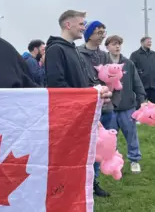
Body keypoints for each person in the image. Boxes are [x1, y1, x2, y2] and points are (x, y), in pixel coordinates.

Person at [45, 10, 113, 198]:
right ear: (68, 25)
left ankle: (86, 187)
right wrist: (86, 98)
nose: (84, 28)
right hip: (68, 116)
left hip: (82, 112)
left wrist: (97, 92)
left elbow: (83, 81)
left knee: (85, 155)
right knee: (68, 158)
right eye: (82, 24)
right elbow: (57, 85)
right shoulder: (56, 50)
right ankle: (64, 192)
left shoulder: (72, 48)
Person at [77, 20, 122, 197]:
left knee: (102, 149)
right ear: (89, 34)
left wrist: (113, 103)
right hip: (88, 110)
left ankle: (94, 182)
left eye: (104, 31)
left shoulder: (104, 55)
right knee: (85, 148)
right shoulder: (78, 53)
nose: (102, 34)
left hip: (106, 109)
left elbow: (113, 79)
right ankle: (82, 183)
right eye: (98, 31)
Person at [105, 35, 146, 174]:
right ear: (107, 47)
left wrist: (141, 99)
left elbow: (136, 82)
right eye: (114, 44)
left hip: (128, 107)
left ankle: (134, 160)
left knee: (131, 135)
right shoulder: (103, 63)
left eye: (119, 44)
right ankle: (113, 161)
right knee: (110, 138)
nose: (117, 47)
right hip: (109, 108)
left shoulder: (128, 63)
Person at [130, 36, 155, 104]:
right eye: (148, 42)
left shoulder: (153, 54)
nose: (149, 44)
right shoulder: (135, 54)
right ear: (142, 43)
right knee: (141, 106)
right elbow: (132, 67)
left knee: (153, 106)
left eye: (150, 42)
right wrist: (140, 72)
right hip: (141, 85)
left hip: (153, 85)